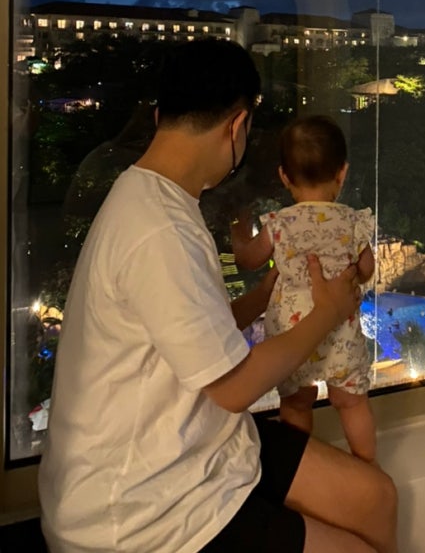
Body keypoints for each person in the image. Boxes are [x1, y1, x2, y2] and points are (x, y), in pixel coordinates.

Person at [38, 39, 397, 553]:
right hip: (143, 511)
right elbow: (233, 389)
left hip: (204, 444)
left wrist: (263, 297)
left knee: (376, 497)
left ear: (160, 115)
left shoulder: (153, 197)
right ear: (237, 125)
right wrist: (329, 311)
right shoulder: (159, 230)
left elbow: (193, 335)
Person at [237, 115, 377, 462]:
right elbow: (366, 270)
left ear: (284, 176)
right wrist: (353, 276)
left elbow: (250, 259)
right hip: (341, 333)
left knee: (296, 403)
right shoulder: (352, 221)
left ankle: (301, 465)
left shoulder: (279, 224)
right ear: (342, 173)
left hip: (293, 337)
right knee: (352, 402)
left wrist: (239, 236)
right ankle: (367, 465)